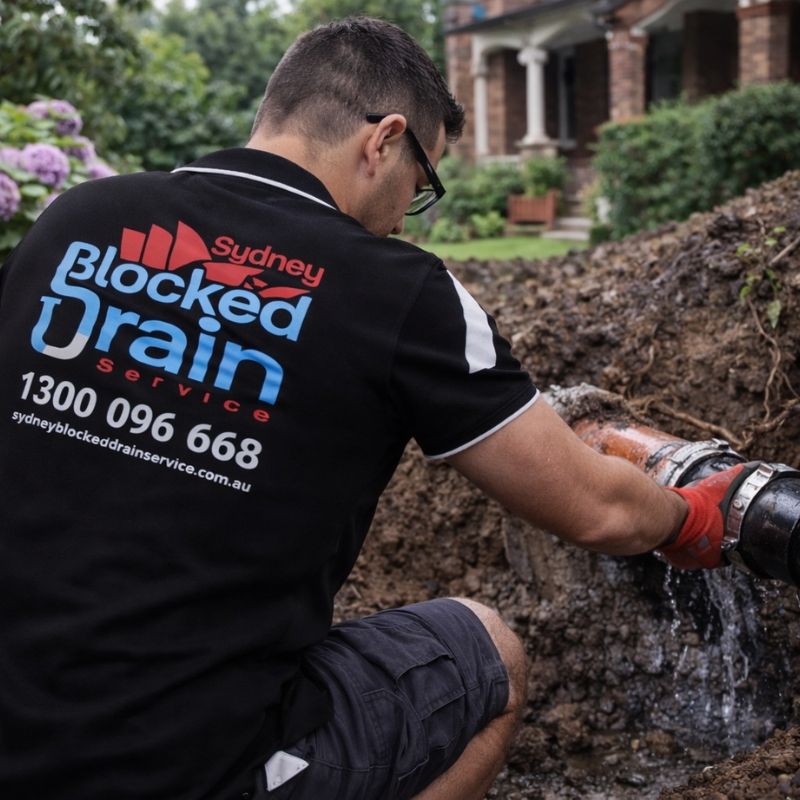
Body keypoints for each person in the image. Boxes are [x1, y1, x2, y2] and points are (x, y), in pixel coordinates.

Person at [0, 16, 745, 800]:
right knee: (491, 654)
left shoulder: (75, 220)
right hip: (188, 768)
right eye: (420, 187)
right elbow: (596, 511)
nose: (400, 219)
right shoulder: (399, 291)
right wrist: (690, 516)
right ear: (385, 141)